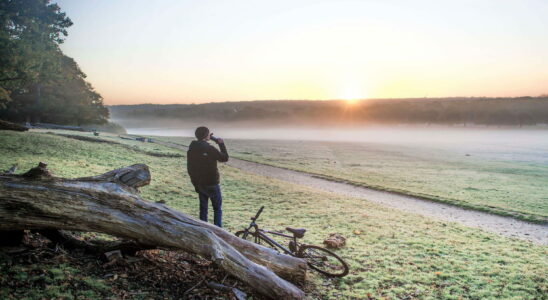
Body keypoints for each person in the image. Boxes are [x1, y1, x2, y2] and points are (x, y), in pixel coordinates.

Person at [187, 126, 229, 227]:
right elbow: (224, 158)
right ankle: (218, 231)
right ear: (206, 136)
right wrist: (221, 144)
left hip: (200, 183)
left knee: (203, 209)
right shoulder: (209, 148)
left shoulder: (191, 149)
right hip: (212, 183)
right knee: (217, 209)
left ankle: (203, 230)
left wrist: (195, 184)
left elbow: (190, 169)